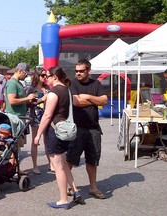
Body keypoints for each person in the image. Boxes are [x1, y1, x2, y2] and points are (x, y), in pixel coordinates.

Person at [34, 66, 81, 210]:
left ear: (55, 77)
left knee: (58, 167)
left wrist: (38, 135)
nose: (46, 78)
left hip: (55, 132)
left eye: (47, 76)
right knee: (64, 163)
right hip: (65, 131)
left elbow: (47, 115)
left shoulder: (54, 93)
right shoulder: (67, 90)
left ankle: (63, 200)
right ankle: (75, 190)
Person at [66, 59, 108, 200]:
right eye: (76, 71)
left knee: (93, 159)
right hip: (76, 127)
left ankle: (93, 187)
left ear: (88, 70)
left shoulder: (96, 84)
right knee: (71, 158)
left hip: (94, 128)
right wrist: (93, 100)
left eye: (81, 71)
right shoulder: (72, 83)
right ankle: (67, 186)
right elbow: (76, 101)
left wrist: (89, 97)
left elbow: (104, 101)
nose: (78, 73)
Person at [27, 68, 53, 174]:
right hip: (36, 116)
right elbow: (28, 104)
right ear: (37, 76)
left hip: (46, 115)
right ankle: (35, 165)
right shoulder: (32, 89)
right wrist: (40, 100)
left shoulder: (47, 87)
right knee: (35, 141)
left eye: (46, 76)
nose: (45, 77)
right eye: (43, 75)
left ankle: (50, 163)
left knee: (48, 140)